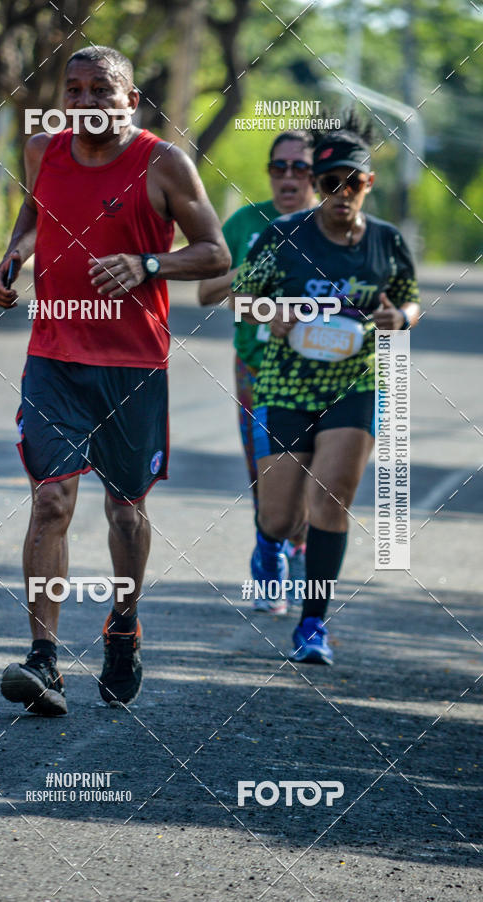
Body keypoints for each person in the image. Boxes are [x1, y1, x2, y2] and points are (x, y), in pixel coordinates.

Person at [0, 45, 230, 714]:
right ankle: (43, 658)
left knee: (125, 509)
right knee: (51, 502)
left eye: (102, 90)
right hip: (55, 357)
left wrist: (150, 265)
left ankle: (123, 626)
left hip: (132, 366)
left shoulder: (162, 163)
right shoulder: (44, 151)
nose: (87, 101)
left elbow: (216, 252)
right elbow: (33, 217)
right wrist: (12, 260)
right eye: (75, 89)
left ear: (132, 101)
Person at [236, 111, 420, 663]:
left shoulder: (386, 242)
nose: (342, 193)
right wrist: (272, 314)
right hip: (286, 388)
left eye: (353, 182)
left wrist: (402, 319)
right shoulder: (283, 236)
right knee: (280, 516)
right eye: (329, 183)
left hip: (355, 384)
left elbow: (409, 297)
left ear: (369, 184)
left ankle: (312, 624)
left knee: (331, 502)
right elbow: (243, 298)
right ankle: (270, 545)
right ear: (317, 186)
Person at [198, 132, 317, 614]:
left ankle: (298, 550)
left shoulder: (330, 225)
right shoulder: (247, 223)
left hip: (319, 372)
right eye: (279, 167)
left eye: (300, 168)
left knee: (314, 473)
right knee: (265, 471)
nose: (288, 177)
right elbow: (209, 292)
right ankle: (272, 554)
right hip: (257, 367)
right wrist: (252, 271)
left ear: (317, 174)